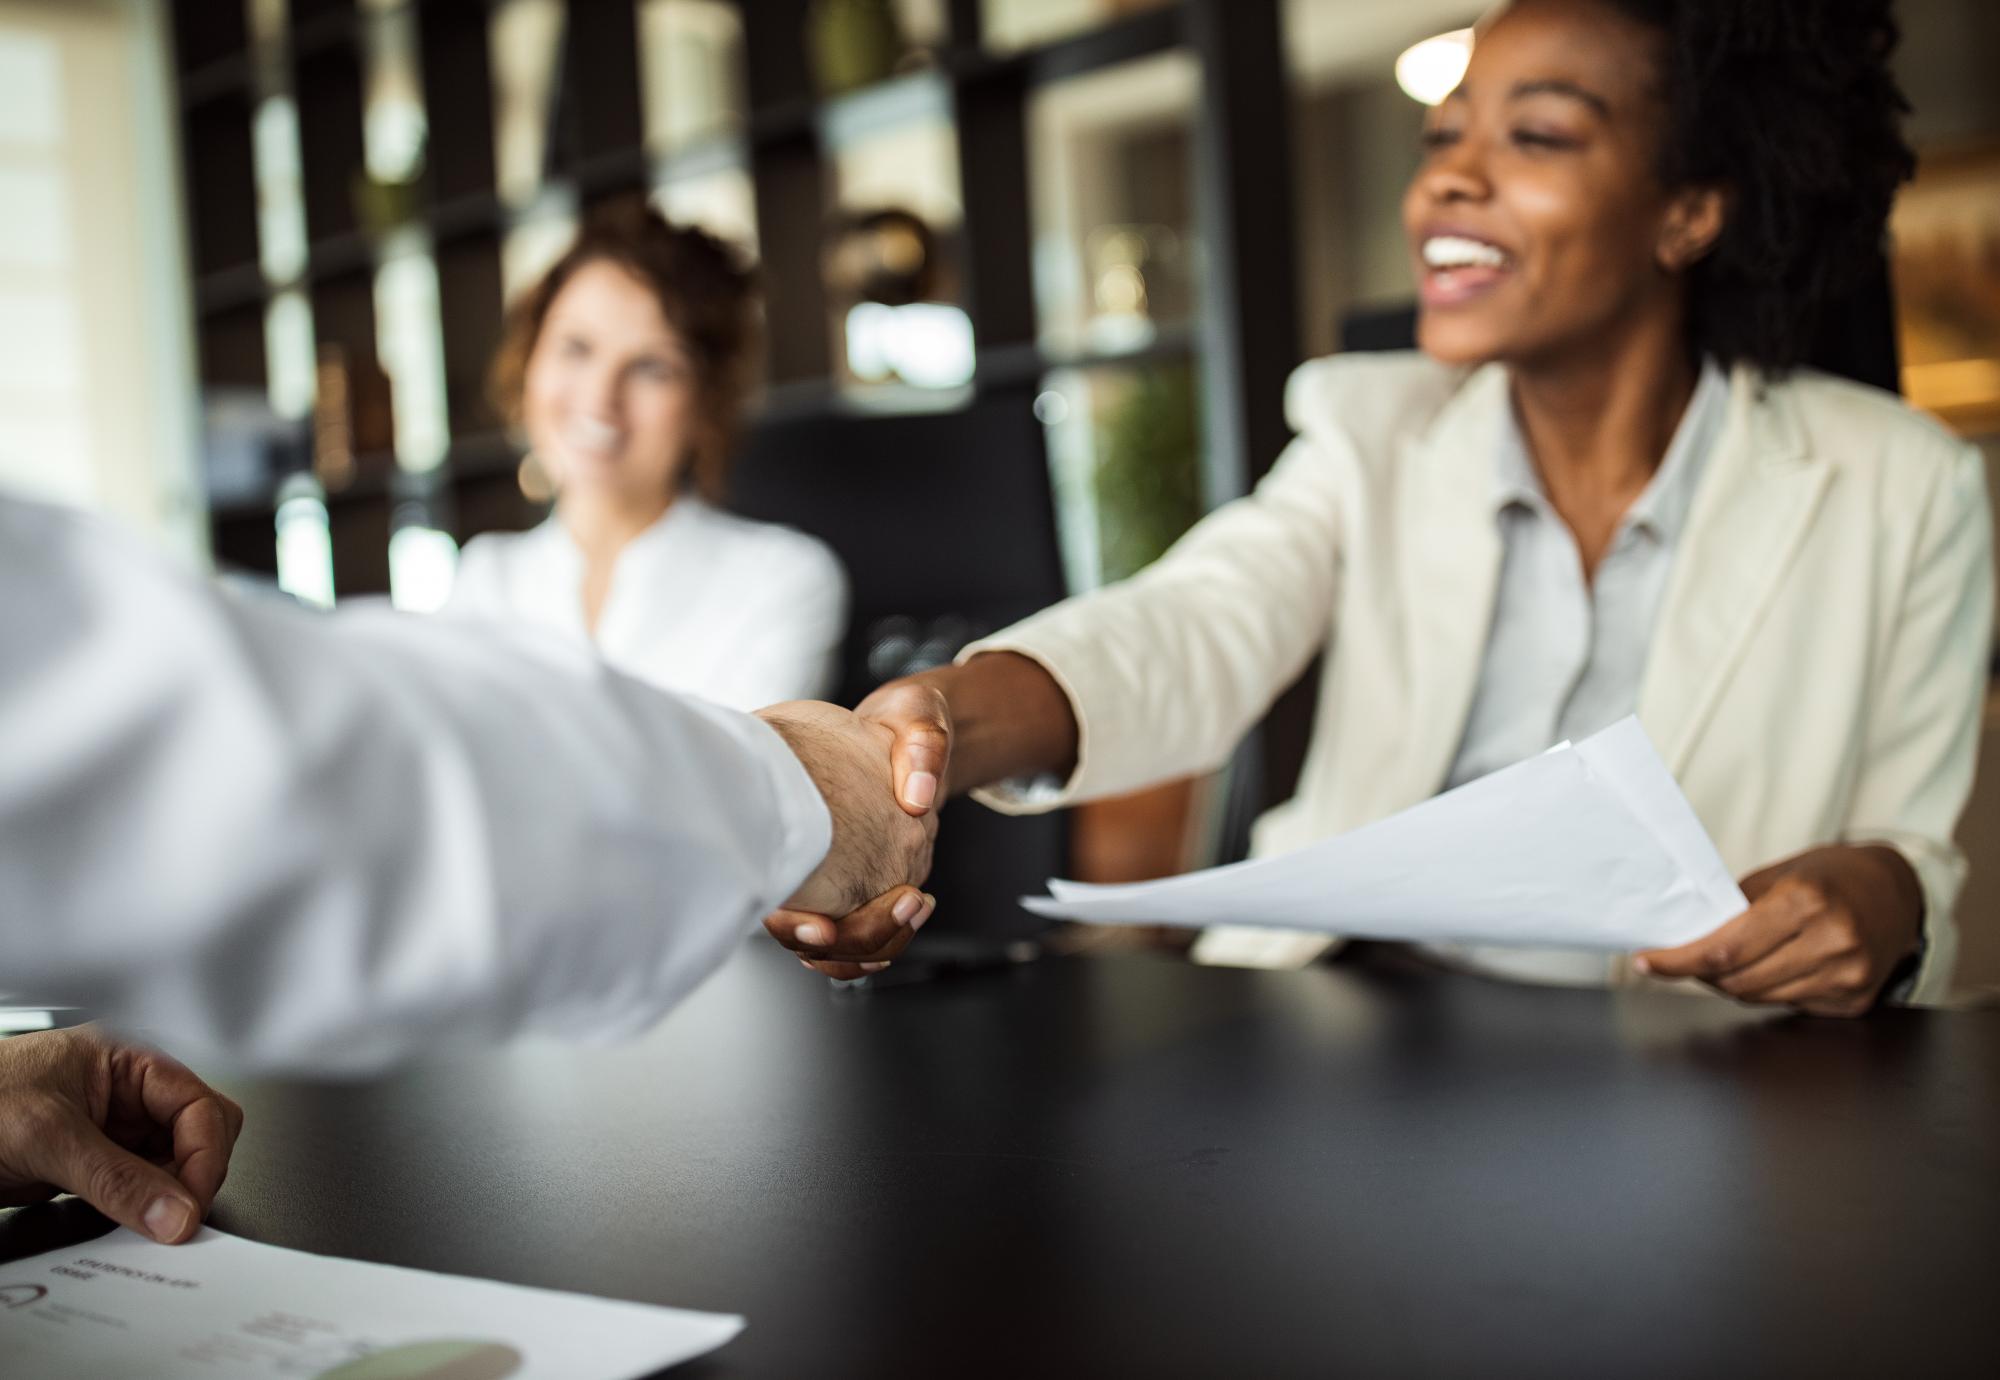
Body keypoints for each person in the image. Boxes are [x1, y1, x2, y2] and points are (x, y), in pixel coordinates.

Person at [783, 0, 1995, 1013]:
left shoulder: (1901, 487)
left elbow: (1916, 852)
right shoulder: (1377, 432)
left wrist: (1884, 897)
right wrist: (938, 721)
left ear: (1689, 210)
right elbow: (1188, 625)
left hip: (1690, 1061)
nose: (1446, 182)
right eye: (1440, 136)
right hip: (1358, 1029)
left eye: (1535, 137)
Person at [0, 492, 935, 1076]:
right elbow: (313, 771)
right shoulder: (488, 567)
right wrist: (796, 779)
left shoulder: (775, 568)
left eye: (648, 364)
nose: (602, 397)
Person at [444, 206, 849, 710]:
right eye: (575, 347)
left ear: (707, 401)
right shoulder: (484, 580)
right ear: (529, 360)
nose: (599, 398)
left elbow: (729, 780)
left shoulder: (782, 579)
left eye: (652, 367)